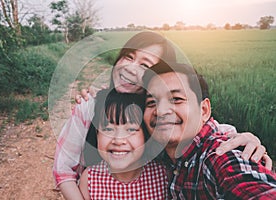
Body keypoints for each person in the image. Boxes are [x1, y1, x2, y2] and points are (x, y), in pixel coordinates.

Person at [52, 31, 271, 199]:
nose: (130, 68)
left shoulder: (155, 116)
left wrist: (247, 139)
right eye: (128, 57)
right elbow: (63, 171)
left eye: (145, 65)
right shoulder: (90, 106)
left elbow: (213, 136)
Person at [142, 61, 276, 199]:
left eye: (176, 99)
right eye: (151, 102)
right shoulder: (156, 155)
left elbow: (255, 188)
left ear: (204, 110)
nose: (161, 111)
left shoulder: (220, 155)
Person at [78, 89, 168, 199]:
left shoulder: (163, 176)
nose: (118, 140)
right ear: (97, 134)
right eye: (108, 129)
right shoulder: (90, 180)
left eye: (130, 129)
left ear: (146, 135)